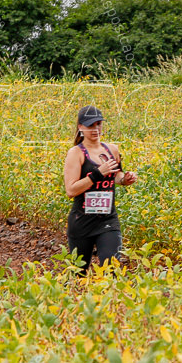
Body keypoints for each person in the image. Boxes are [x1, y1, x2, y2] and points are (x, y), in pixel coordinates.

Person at [63, 105, 138, 276]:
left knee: (111, 269)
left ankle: (111, 302)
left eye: (98, 124)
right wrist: (97, 173)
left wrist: (125, 179)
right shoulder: (76, 153)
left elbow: (116, 175)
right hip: (82, 222)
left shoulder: (112, 149)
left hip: (108, 220)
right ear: (80, 127)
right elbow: (71, 190)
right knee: (79, 274)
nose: (96, 129)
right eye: (90, 125)